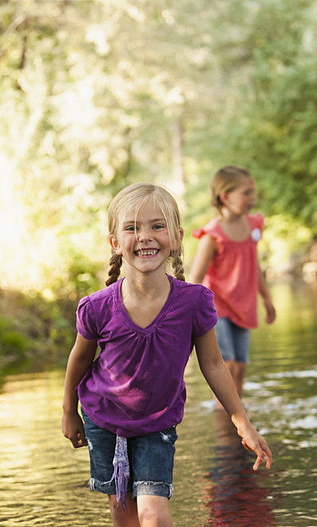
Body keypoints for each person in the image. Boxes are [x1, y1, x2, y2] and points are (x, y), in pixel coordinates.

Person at [61, 183, 272, 527]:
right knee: (123, 513)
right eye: (132, 228)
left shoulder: (194, 302)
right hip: (104, 421)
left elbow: (214, 365)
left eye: (156, 226)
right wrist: (70, 412)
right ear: (115, 242)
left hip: (157, 423)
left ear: (176, 237)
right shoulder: (97, 307)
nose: (145, 236)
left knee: (154, 515)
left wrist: (242, 423)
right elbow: (79, 361)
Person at [189, 166, 276, 398]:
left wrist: (266, 299)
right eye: (246, 193)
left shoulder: (253, 226)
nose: (252, 198)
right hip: (217, 306)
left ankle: (237, 417)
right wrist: (186, 314)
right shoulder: (213, 235)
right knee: (228, 363)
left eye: (253, 192)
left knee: (241, 366)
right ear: (225, 197)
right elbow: (196, 278)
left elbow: (254, 265)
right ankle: (224, 411)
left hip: (243, 304)